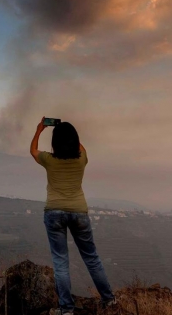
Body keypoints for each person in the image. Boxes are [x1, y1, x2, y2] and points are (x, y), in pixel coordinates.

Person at [30, 117, 115, 315]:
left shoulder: (48, 160)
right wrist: (70, 133)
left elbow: (33, 151)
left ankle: (66, 309)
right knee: (92, 258)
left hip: (54, 212)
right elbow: (80, 147)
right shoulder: (81, 159)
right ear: (75, 140)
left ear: (55, 143)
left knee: (60, 262)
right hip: (79, 212)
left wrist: (39, 130)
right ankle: (109, 300)